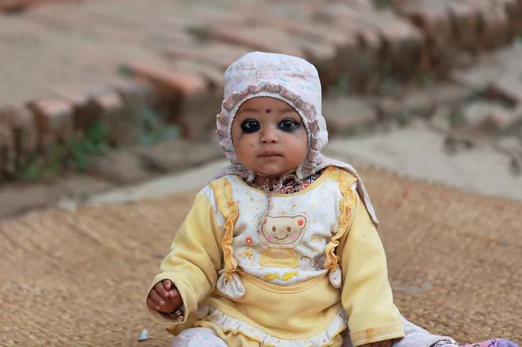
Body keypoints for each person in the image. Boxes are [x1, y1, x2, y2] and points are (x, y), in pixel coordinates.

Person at [145, 52, 518, 347]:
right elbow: (193, 258)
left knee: (390, 329)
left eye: (287, 124)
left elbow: (364, 265)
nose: (268, 136)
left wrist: (372, 325)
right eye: (250, 125)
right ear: (229, 135)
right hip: (238, 323)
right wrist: (176, 288)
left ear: (312, 131)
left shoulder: (337, 191)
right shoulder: (220, 196)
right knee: (194, 340)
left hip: (327, 321)